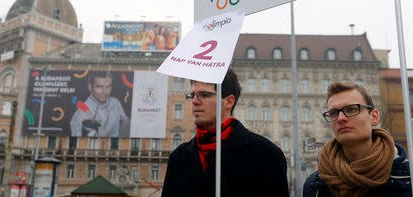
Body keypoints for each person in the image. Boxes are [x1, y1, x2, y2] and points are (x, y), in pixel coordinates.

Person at [162, 68, 289, 197]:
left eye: (204, 95)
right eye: (192, 95)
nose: (194, 101)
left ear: (228, 101)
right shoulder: (178, 157)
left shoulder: (267, 154)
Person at [303, 81, 411, 197]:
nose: (340, 118)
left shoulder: (408, 177)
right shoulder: (314, 186)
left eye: (351, 109)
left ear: (374, 117)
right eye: (333, 113)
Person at [70, 71, 130, 137]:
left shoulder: (115, 103)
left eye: (108, 86)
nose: (105, 92)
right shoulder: (82, 111)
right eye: (99, 87)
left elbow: (125, 124)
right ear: (90, 87)